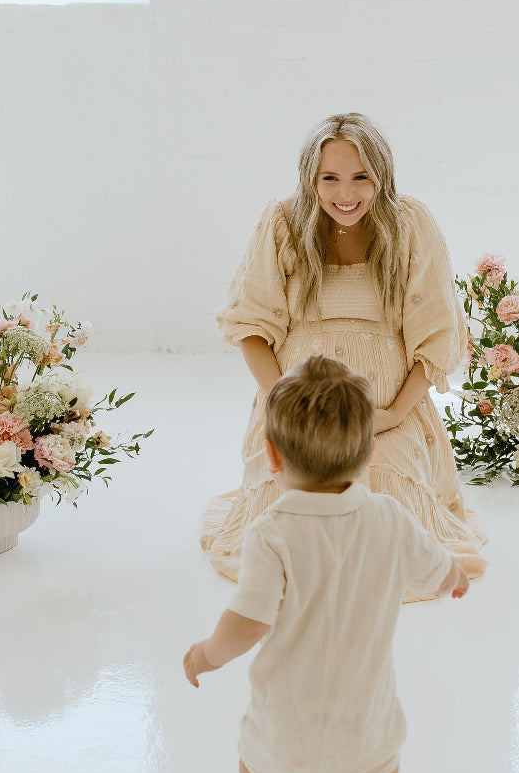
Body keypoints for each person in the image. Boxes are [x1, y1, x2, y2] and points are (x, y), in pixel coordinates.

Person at [184, 357, 469, 773]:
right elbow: (439, 567)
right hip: (363, 725)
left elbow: (248, 622)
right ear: (368, 451)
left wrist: (206, 654)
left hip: (283, 721)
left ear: (272, 455)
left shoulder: (271, 532)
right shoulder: (391, 520)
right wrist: (453, 577)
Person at [200, 112, 486, 599]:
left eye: (361, 178)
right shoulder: (284, 223)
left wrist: (394, 413)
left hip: (385, 404)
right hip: (296, 402)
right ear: (310, 179)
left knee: (383, 494)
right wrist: (287, 406)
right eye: (329, 179)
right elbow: (250, 327)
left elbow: (437, 337)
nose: (345, 194)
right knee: (293, 501)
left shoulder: (410, 225)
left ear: (382, 176)